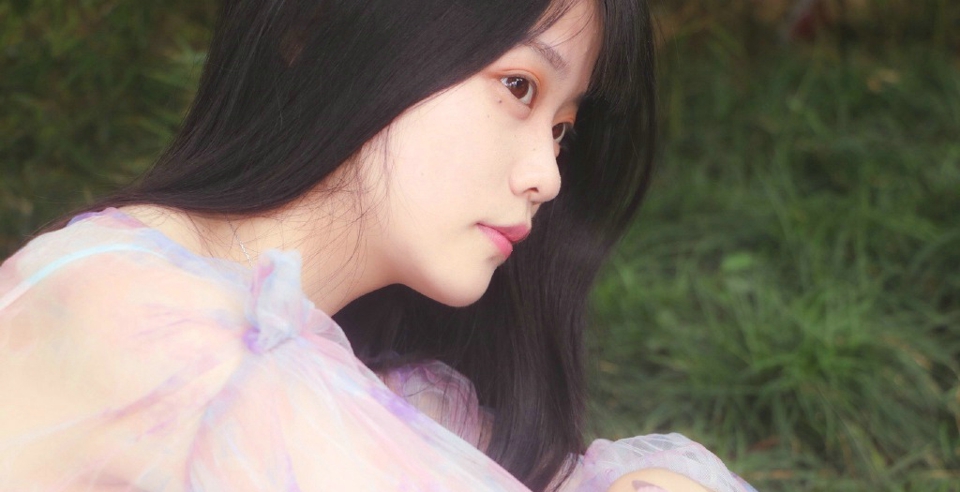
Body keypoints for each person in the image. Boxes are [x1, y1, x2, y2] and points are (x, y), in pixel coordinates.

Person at [0, 0, 756, 490]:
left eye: (563, 129)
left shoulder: (335, 371)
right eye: (519, 87)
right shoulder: (176, 345)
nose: (548, 175)